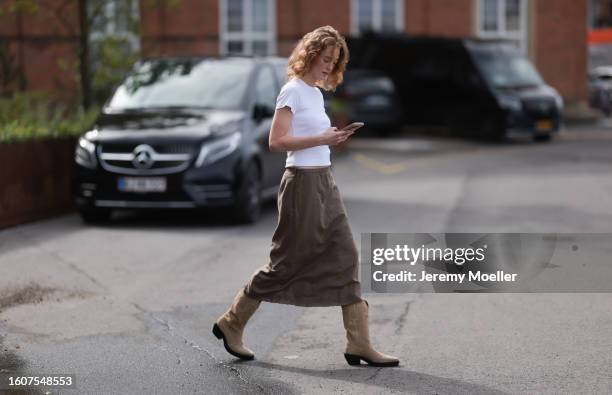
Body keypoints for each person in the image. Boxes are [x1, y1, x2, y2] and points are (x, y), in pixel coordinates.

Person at [212, 25, 399, 368]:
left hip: (325, 181)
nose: (329, 66)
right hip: (301, 185)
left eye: (335, 61)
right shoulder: (293, 91)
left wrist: (333, 139)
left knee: (346, 255)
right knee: (286, 262)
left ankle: (359, 343)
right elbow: (276, 141)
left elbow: (314, 137)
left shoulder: (315, 93)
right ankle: (232, 322)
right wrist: (321, 140)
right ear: (310, 56)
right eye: (325, 58)